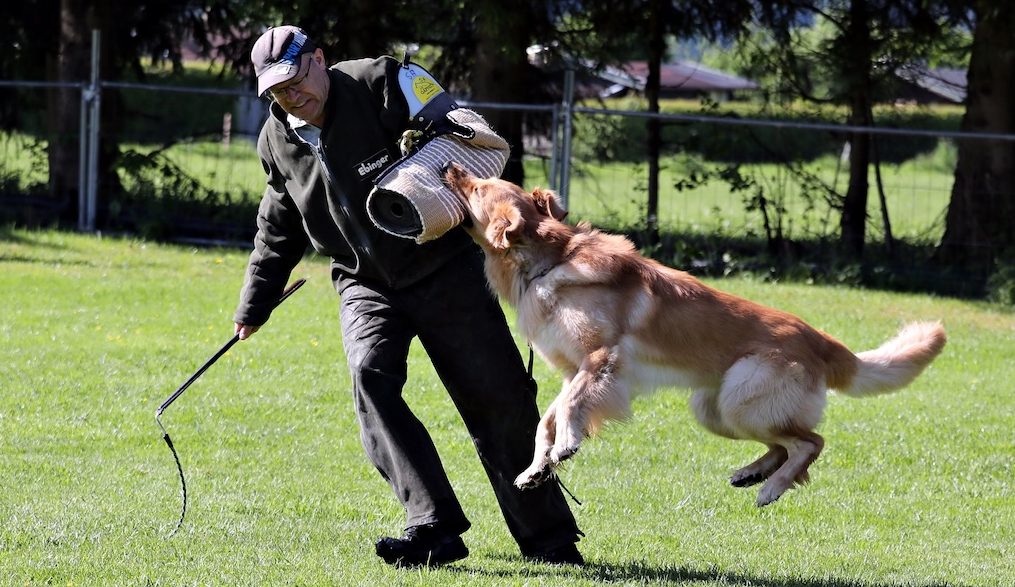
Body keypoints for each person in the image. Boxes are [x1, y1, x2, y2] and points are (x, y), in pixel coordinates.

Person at [234, 25, 583, 568]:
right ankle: (432, 525)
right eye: (276, 90)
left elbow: (465, 134)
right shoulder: (276, 139)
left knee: (499, 398)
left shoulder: (383, 82)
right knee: (370, 376)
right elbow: (278, 224)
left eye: (294, 80)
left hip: (445, 268)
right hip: (364, 281)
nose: (290, 96)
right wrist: (255, 304)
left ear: (319, 59)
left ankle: (550, 541)